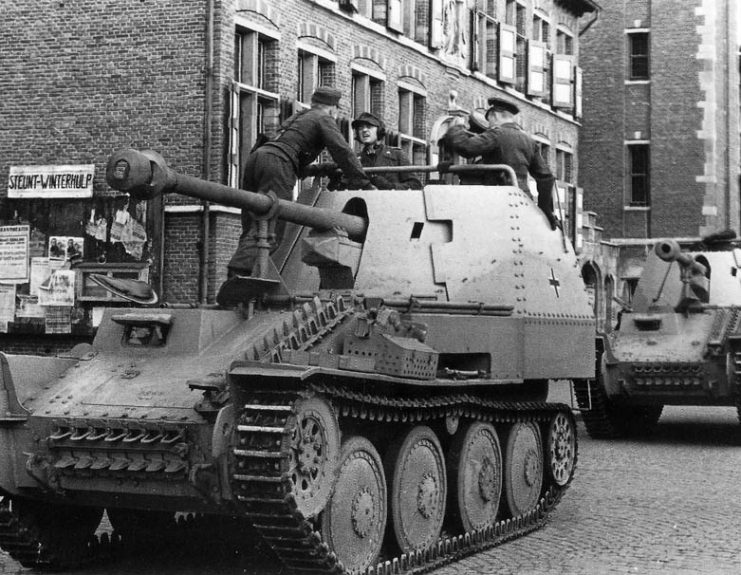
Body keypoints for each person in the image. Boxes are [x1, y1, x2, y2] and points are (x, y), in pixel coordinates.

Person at [227, 86, 374, 276]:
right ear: (332, 108)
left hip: (258, 158)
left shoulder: (299, 117)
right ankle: (241, 276)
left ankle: (241, 274)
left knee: (253, 221)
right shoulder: (323, 118)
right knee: (272, 223)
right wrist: (364, 183)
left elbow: (288, 152)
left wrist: (319, 169)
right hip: (277, 163)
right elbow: (342, 152)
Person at [443, 97, 558, 229]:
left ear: (495, 116)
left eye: (489, 120)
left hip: (495, 201)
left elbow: (466, 148)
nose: (489, 125)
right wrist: (545, 209)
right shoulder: (529, 141)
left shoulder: (496, 134)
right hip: (523, 202)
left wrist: (456, 128)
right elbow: (547, 178)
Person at [329, 112, 422, 190]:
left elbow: (415, 185)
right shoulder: (354, 160)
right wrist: (336, 179)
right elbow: (343, 188)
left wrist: (390, 186)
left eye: (369, 126)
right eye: (360, 128)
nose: (364, 130)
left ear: (379, 131)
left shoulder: (397, 155)